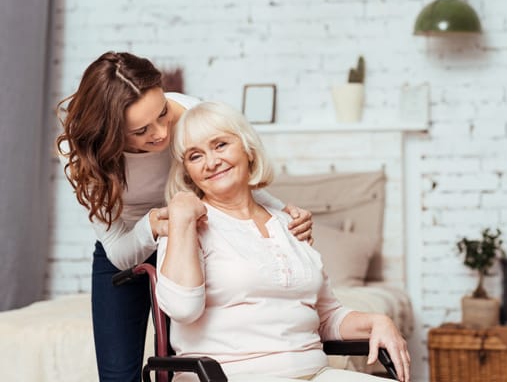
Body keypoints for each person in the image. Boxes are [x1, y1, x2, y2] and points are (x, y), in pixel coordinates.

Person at [55, 51, 314, 382]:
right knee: (118, 375)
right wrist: (150, 226)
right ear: (109, 132)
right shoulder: (84, 156)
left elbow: (231, 178)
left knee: (184, 364)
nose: (162, 134)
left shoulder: (191, 114)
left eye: (163, 113)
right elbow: (118, 251)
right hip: (126, 242)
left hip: (193, 235)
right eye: (141, 130)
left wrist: (282, 215)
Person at [156, 101, 411, 382]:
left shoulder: (290, 224)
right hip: (228, 376)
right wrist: (181, 215)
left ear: (248, 149)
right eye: (195, 156)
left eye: (220, 145)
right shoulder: (186, 227)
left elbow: (326, 315)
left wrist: (377, 321)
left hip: (314, 373)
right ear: (187, 171)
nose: (211, 162)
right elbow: (181, 309)